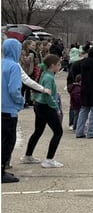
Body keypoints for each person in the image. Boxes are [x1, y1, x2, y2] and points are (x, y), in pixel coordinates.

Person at [20, 55, 64, 168]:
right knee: (58, 132)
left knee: (38, 131)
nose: (60, 66)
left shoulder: (44, 74)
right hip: (46, 107)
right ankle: (49, 159)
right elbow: (48, 95)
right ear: (53, 66)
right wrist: (56, 108)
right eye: (58, 64)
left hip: (39, 105)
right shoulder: (49, 77)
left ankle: (28, 155)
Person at [2, 39, 26, 183]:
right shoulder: (14, 67)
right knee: (8, 140)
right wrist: (20, 101)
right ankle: (1, 169)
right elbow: (14, 89)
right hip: (8, 109)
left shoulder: (1, 64)